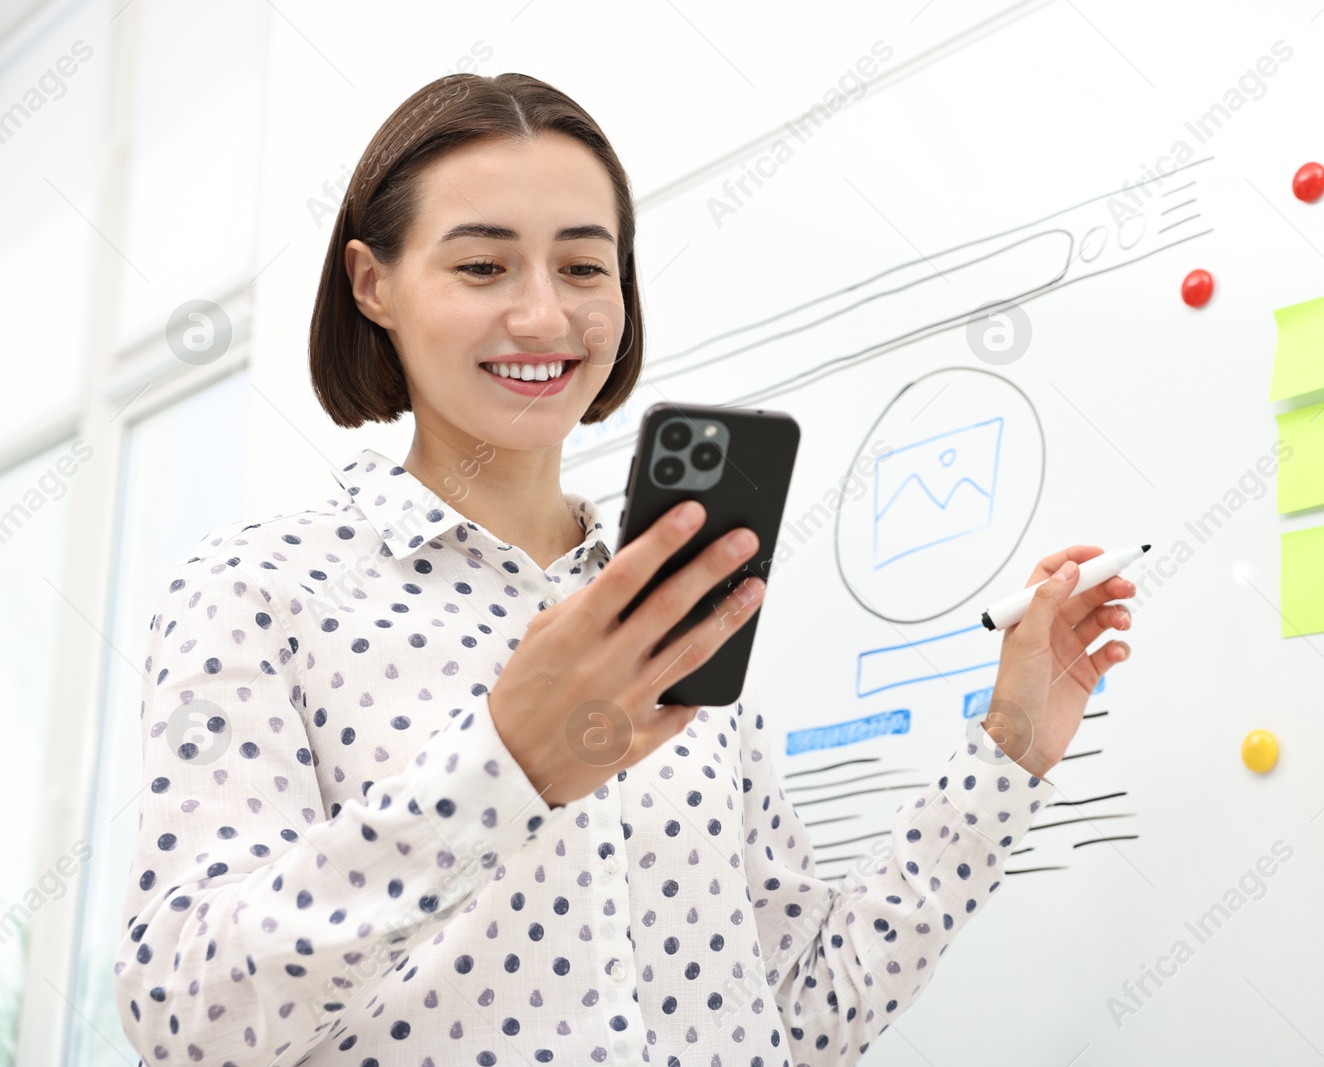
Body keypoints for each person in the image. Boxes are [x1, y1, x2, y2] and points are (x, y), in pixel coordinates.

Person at [112, 72, 1135, 1067]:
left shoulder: (672, 609)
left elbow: (804, 1017)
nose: (546, 319)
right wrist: (506, 762)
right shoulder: (259, 589)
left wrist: (1007, 746)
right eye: (482, 268)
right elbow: (189, 1021)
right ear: (372, 284)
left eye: (584, 268)